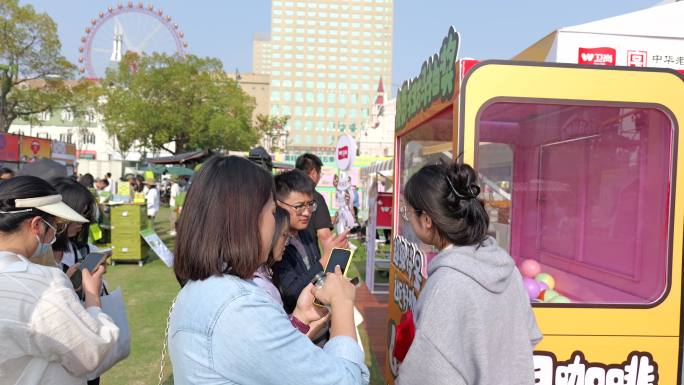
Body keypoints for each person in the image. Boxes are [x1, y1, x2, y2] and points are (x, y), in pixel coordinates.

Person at [169, 155, 369, 385]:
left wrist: (299, 317)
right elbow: (346, 381)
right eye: (274, 213)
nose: (277, 225)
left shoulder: (201, 289)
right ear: (248, 219)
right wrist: (342, 303)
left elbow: (265, 359)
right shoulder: (240, 308)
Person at [395, 162, 541, 385]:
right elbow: (528, 336)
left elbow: (427, 375)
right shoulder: (505, 265)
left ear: (426, 221)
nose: (408, 219)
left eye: (408, 213)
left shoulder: (446, 284)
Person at [0, 176, 119, 385]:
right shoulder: (44, 282)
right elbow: (92, 351)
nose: (56, 234)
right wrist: (92, 298)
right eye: (55, 225)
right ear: (37, 225)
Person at [272, 170, 347, 314]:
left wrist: (336, 261)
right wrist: (324, 262)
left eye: (310, 205)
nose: (306, 213)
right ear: (278, 204)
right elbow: (290, 293)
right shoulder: (275, 245)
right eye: (299, 207)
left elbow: (315, 274)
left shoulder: (305, 234)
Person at [295, 153, 334, 251]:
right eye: (319, 174)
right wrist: (333, 264)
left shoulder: (283, 194)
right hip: (308, 258)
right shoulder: (316, 197)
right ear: (313, 173)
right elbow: (324, 236)